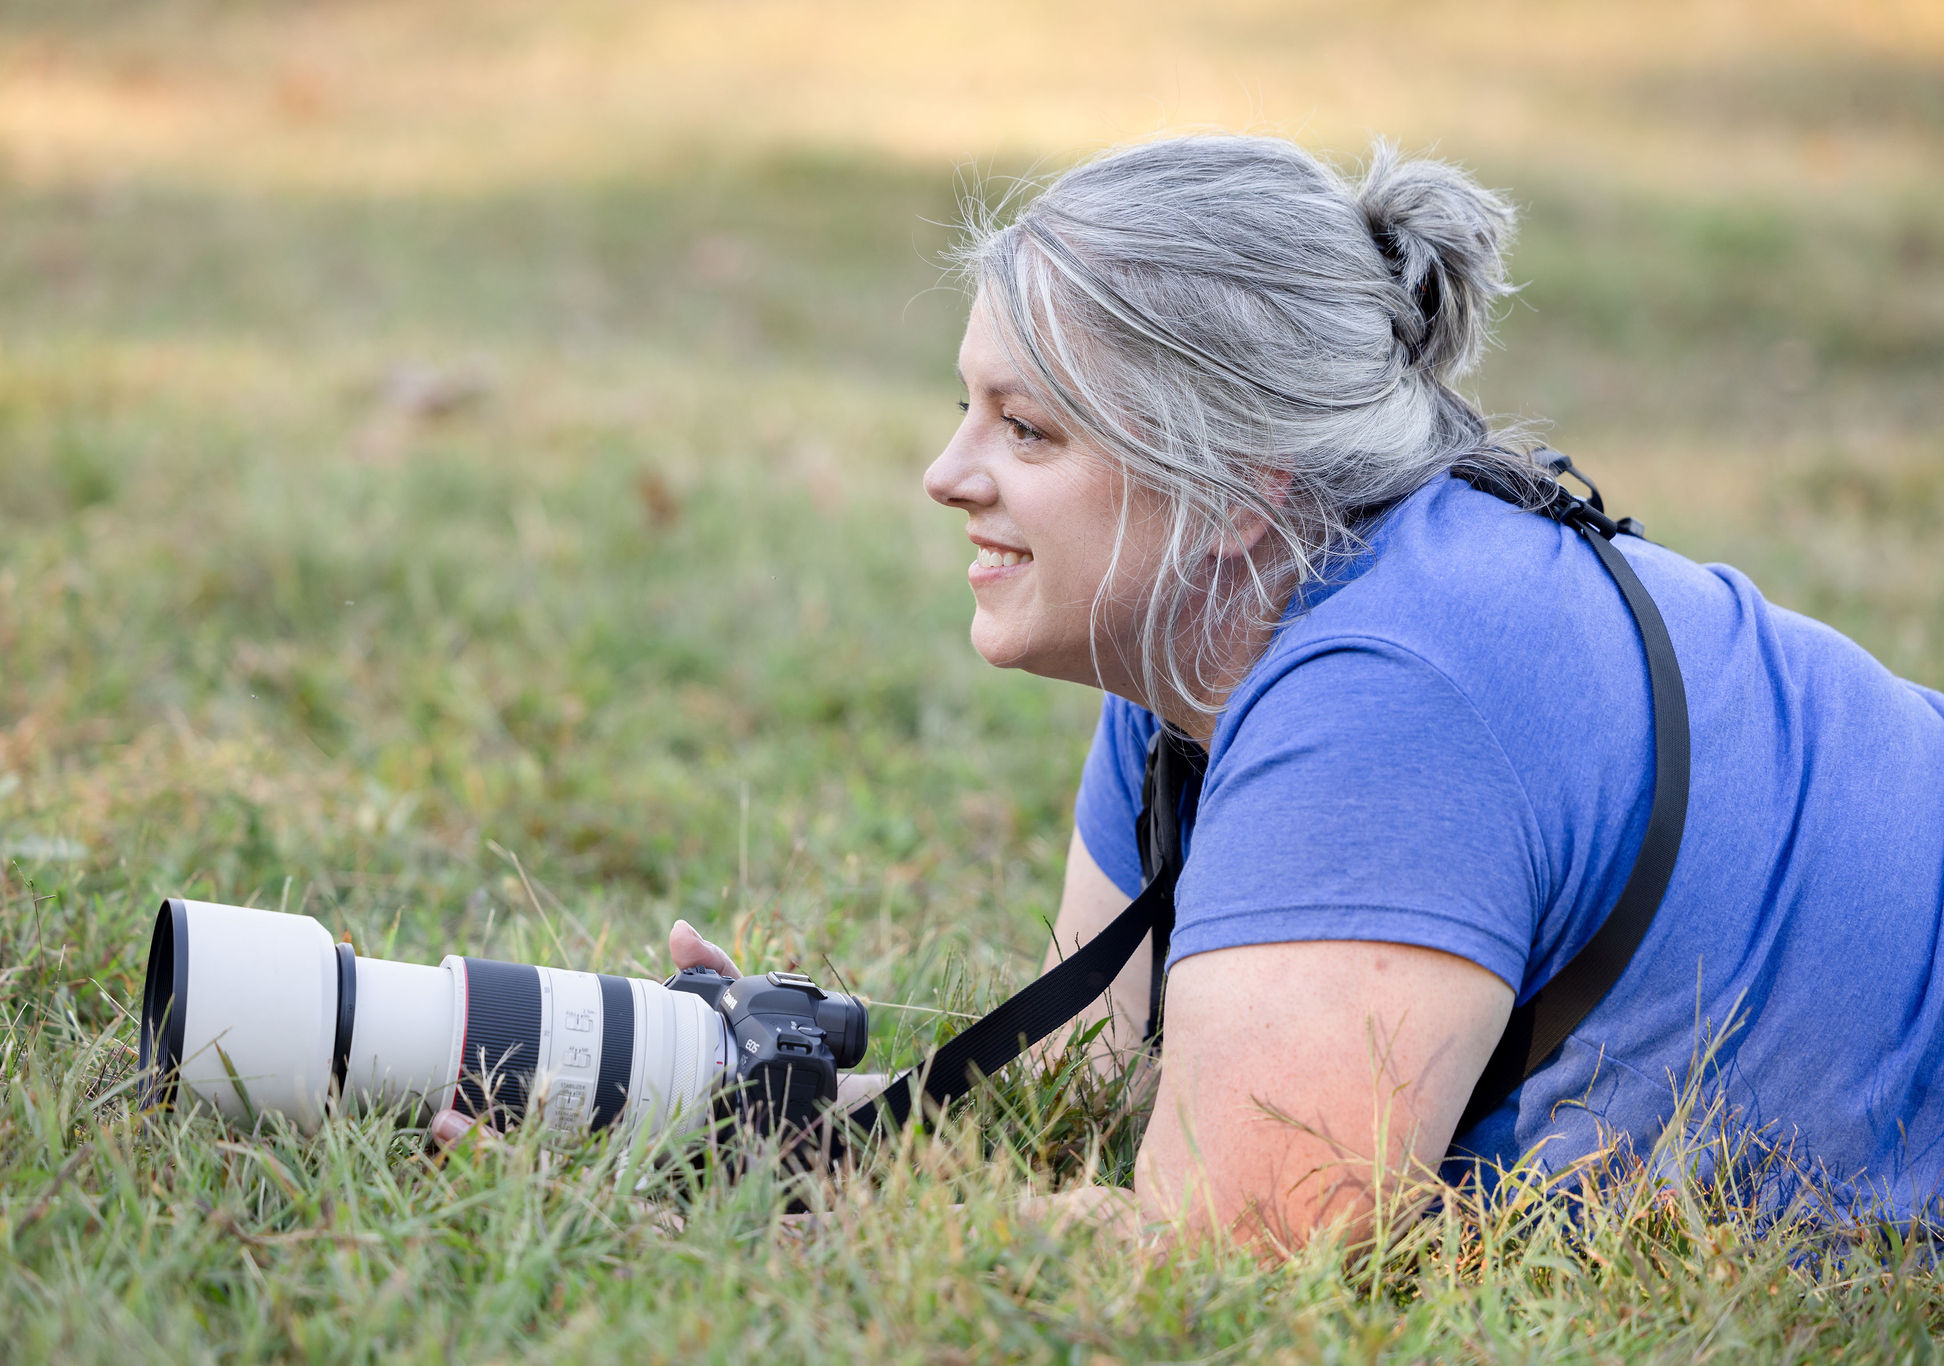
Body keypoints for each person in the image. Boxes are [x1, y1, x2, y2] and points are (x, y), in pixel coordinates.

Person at [438, 135, 1944, 1250]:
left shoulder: (1394, 683)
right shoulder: (1198, 656)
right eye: (966, 406)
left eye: (1026, 429)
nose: (945, 472)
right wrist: (724, 1090)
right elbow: (1099, 1089)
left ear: (1235, 491)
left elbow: (1229, 1244)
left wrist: (663, 1219)